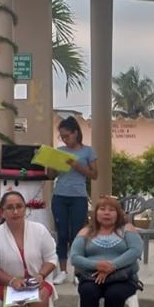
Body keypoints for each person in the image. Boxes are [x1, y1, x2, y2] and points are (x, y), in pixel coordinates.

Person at [70, 196, 143, 307]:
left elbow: (135, 251)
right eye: (102, 209)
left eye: (111, 210)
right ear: (95, 213)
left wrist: (112, 266)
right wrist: (98, 265)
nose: (106, 213)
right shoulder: (86, 232)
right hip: (92, 277)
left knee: (115, 294)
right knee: (88, 291)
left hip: (122, 277)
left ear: (118, 213)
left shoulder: (127, 229)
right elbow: (74, 257)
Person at [49, 116, 97, 284]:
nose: (65, 139)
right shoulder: (60, 151)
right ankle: (62, 271)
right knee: (62, 234)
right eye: (62, 137)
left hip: (78, 197)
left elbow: (94, 175)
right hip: (60, 195)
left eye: (67, 136)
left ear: (76, 133)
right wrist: (50, 164)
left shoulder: (88, 151)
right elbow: (51, 176)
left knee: (78, 234)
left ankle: (78, 270)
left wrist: (77, 166)